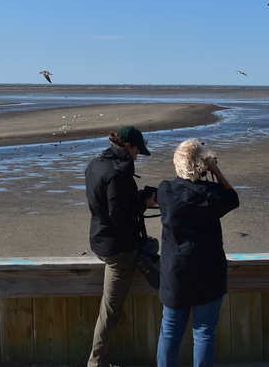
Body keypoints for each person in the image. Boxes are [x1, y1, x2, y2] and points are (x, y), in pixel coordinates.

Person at [156, 139, 239, 367]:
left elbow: (158, 200)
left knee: (170, 332)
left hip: (176, 272)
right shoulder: (211, 194)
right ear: (201, 164)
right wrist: (215, 170)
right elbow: (233, 198)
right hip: (208, 270)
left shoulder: (166, 191)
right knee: (203, 333)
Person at [85, 126, 156, 367]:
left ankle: (142, 261)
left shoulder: (95, 164)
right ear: (129, 146)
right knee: (110, 310)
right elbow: (120, 215)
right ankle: (96, 363)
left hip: (98, 238)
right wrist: (143, 203)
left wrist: (136, 199)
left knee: (150, 248)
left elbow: (106, 203)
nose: (138, 156)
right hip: (117, 248)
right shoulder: (120, 170)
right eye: (138, 151)